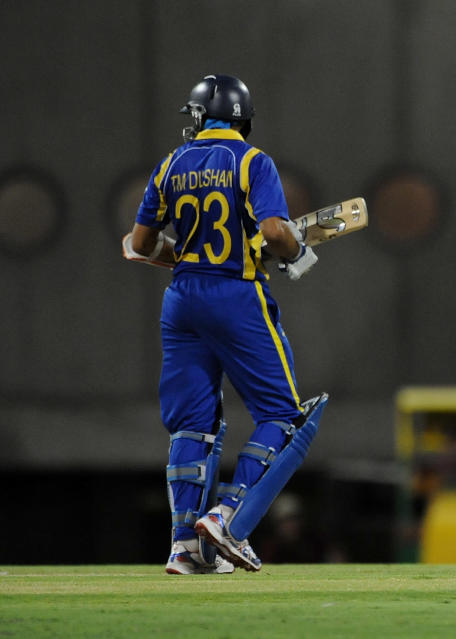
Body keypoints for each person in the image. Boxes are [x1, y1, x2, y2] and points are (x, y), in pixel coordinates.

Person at [127, 74, 328, 574]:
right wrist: (296, 254)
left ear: (202, 117)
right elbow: (275, 231)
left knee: (191, 424)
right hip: (236, 296)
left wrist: (188, 257)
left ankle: (184, 545)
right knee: (285, 416)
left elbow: (140, 243)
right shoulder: (252, 161)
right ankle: (228, 515)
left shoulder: (171, 164)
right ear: (243, 118)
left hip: (182, 301)